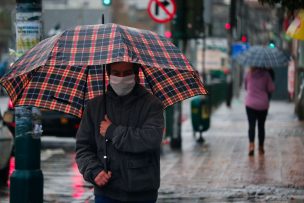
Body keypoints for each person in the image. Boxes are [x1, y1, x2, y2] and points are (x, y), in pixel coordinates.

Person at [76, 62, 164, 203]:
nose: (121, 78)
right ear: (108, 75)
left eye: (126, 73)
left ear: (136, 75)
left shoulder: (152, 105)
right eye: (116, 73)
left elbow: (151, 139)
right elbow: (83, 148)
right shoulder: (94, 106)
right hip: (106, 192)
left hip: (142, 192)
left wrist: (112, 131)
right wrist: (94, 171)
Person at [244, 67, 275, 156]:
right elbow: (271, 89)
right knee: (261, 126)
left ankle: (251, 146)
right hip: (262, 104)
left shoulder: (248, 74)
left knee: (251, 125)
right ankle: (261, 147)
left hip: (250, 103)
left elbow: (246, 87)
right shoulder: (266, 75)